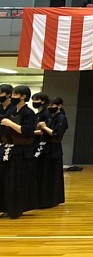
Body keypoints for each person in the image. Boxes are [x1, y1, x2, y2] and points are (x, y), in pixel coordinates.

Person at [0, 85, 39, 218]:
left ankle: (15, 208)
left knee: (16, 180)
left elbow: (27, 131)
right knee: (5, 179)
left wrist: (10, 124)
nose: (12, 97)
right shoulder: (12, 111)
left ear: (23, 97)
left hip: (22, 151)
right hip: (9, 149)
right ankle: (4, 206)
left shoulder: (28, 113)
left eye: (15, 95)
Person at [36, 95, 68, 209]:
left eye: (53, 105)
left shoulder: (61, 118)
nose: (50, 107)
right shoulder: (49, 116)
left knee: (53, 175)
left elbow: (56, 135)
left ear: (59, 106)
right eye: (49, 105)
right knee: (45, 174)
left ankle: (53, 199)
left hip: (54, 150)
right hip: (45, 148)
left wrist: (44, 127)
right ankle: (44, 198)